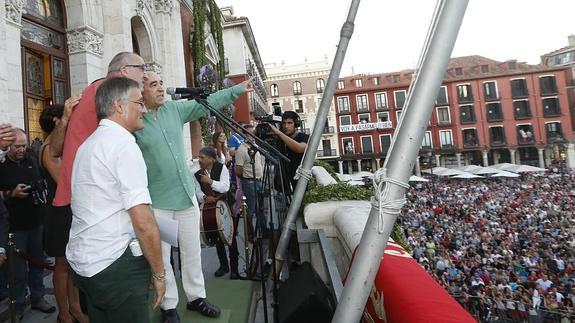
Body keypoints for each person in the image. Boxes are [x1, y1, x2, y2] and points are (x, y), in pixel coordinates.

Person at [136, 71, 252, 322]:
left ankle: (196, 297)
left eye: (161, 83)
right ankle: (168, 307)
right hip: (158, 203)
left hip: (186, 198)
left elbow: (208, 102)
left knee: (192, 252)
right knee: (163, 259)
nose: (160, 88)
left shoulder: (174, 110)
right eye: (154, 84)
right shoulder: (136, 121)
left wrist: (236, 90)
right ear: (141, 90)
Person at [66, 77, 165, 323]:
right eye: (139, 102)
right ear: (119, 106)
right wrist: (159, 274)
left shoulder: (88, 145)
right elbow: (143, 221)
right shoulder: (122, 145)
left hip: (86, 264)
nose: (144, 109)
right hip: (114, 264)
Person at [51, 51, 147, 207]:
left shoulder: (94, 89)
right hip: (92, 194)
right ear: (125, 70)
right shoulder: (107, 92)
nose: (146, 74)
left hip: (81, 192)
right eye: (142, 68)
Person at [39, 102, 87, 323]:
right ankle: (64, 313)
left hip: (69, 210)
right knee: (62, 265)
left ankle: (75, 309)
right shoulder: (49, 149)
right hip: (58, 213)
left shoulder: (61, 146)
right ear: (57, 122)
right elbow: (64, 181)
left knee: (71, 263)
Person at [0, 128, 55, 318]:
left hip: (35, 222)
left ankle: (39, 297)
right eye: (17, 146)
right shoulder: (2, 164)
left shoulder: (31, 159)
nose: (21, 150)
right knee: (17, 271)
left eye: (24, 145)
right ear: (8, 147)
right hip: (13, 227)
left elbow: (40, 182)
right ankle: (19, 304)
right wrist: (11, 194)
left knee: (37, 264)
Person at [194, 146, 242, 280]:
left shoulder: (221, 168)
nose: (200, 160)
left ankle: (234, 269)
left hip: (226, 204)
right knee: (217, 236)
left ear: (211, 159)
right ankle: (223, 265)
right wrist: (204, 197)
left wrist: (210, 182)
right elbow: (197, 191)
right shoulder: (197, 174)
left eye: (202, 157)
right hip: (211, 207)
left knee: (230, 237)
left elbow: (225, 187)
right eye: (199, 157)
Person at [267, 111, 309, 194]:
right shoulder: (278, 139)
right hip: (282, 183)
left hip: (300, 180)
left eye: (290, 123)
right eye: (284, 123)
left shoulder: (303, 137)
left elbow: (299, 148)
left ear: (296, 124)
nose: (286, 126)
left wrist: (279, 133)